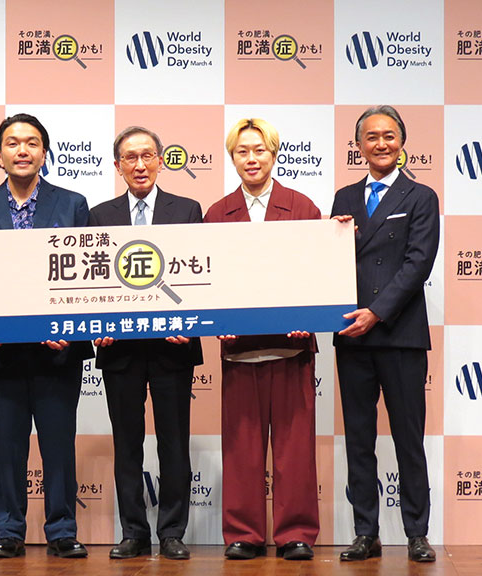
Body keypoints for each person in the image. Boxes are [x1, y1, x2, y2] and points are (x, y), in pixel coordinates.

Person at [0, 114, 93, 559]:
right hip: (3, 354)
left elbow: (85, 279)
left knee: (59, 446)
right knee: (8, 446)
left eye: (32, 143)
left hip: (58, 353)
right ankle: (9, 530)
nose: (22, 150)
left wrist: (70, 332)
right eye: (13, 143)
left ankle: (62, 530)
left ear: (44, 153)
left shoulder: (73, 204)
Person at [204, 118, 320, 561]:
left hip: (292, 349)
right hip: (239, 352)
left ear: (274, 154)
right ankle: (244, 534)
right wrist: (218, 321)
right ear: (232, 158)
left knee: (295, 449)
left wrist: (309, 318)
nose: (251, 159)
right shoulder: (217, 213)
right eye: (242, 152)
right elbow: (209, 281)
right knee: (242, 449)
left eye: (259, 150)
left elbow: (319, 274)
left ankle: (296, 534)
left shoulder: (302, 207)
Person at [88, 126, 203, 560]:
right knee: (127, 444)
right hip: (121, 350)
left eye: (147, 156)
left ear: (161, 160)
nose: (140, 165)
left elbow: (201, 274)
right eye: (130, 158)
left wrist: (190, 323)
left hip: (173, 346)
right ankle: (133, 532)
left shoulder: (187, 210)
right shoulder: (100, 215)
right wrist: (97, 325)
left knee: (174, 443)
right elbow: (90, 282)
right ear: (118, 166)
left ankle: (172, 531)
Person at [331, 105, 439, 563]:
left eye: (389, 135)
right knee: (359, 438)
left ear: (402, 142)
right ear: (358, 146)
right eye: (371, 137)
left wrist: (376, 312)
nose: (381, 144)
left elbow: (418, 263)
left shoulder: (421, 196)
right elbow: (331, 262)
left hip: (400, 334)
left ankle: (417, 533)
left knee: (408, 438)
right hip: (352, 335)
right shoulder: (343, 198)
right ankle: (365, 532)